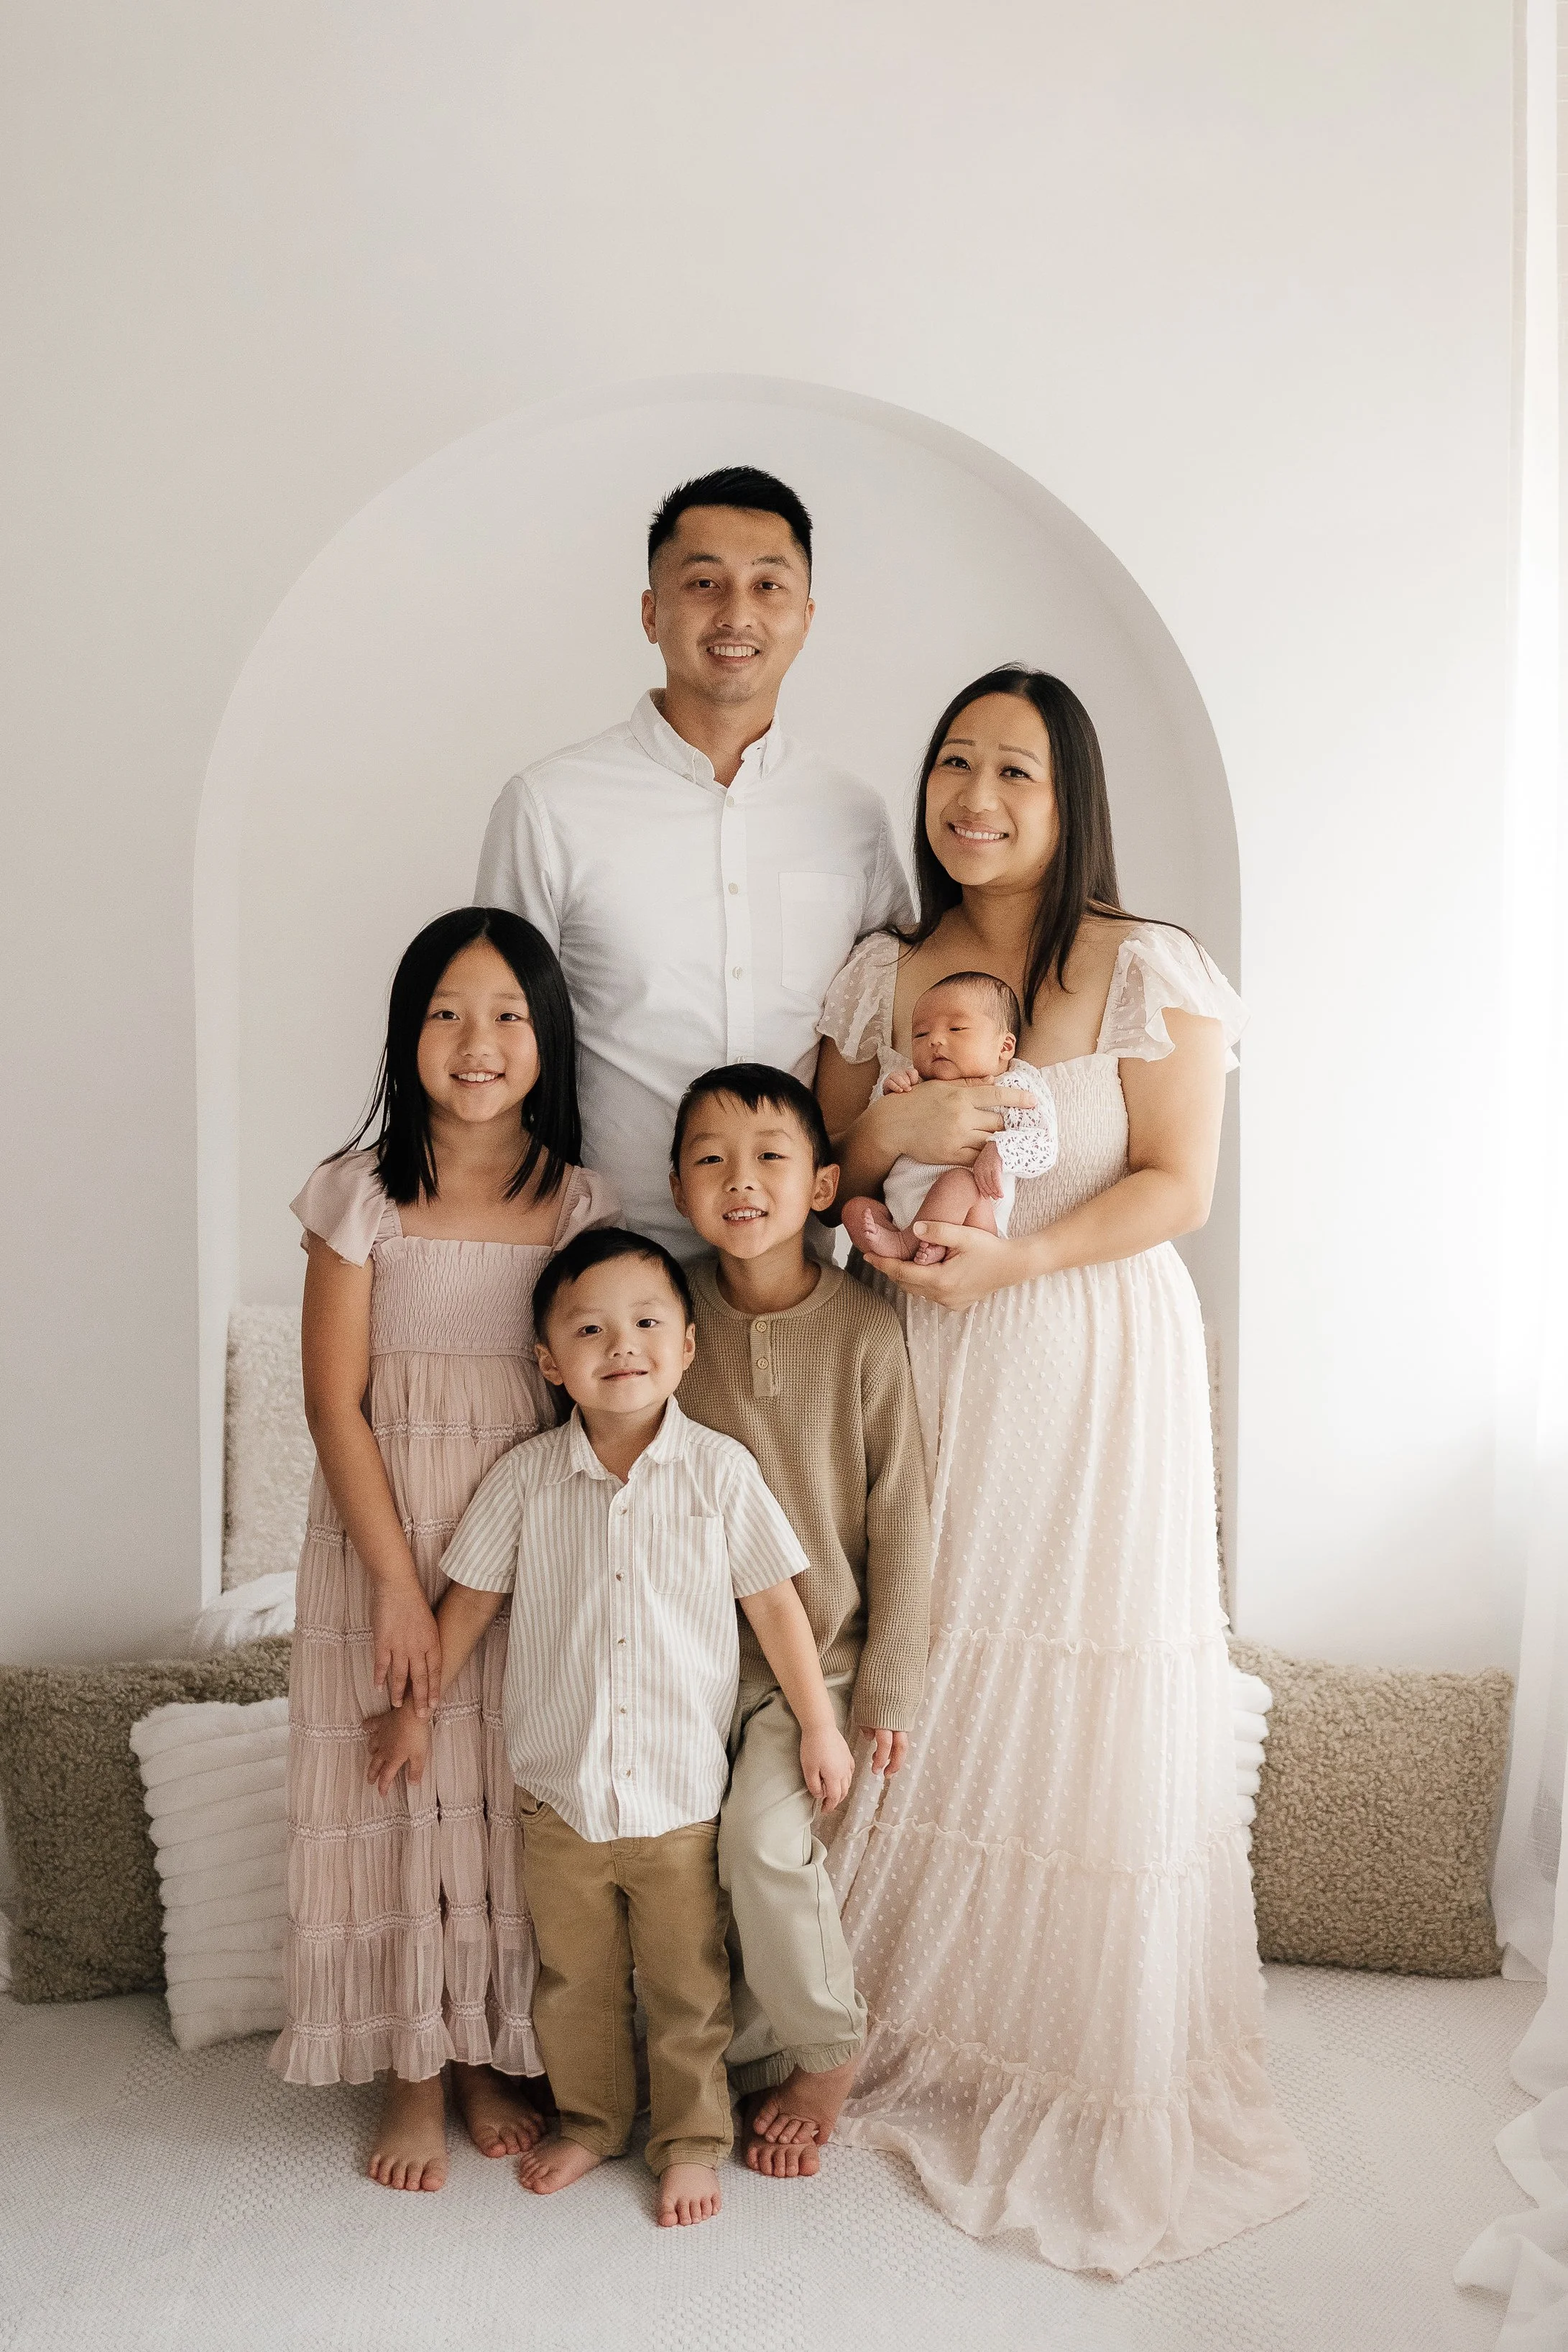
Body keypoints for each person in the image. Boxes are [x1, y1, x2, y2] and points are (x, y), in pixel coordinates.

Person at [814, 666, 1310, 2274]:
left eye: (1011, 769)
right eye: (951, 761)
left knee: (1078, 1674)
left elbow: (1175, 1183)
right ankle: (870, 2016)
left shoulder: (1144, 964)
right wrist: (910, 1128)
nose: (973, 795)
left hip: (1093, 1355)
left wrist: (1016, 1264)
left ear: (1066, 793)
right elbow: (835, 1157)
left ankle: (1069, 2040)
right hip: (925, 1354)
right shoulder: (886, 971)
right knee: (929, 1656)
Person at [364, 1228, 858, 2229]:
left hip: (680, 1798)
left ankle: (688, 2142)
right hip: (561, 1797)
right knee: (574, 1985)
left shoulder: (720, 1474)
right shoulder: (526, 1479)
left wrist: (819, 1727)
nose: (619, 1344)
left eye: (644, 1323)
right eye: (589, 1328)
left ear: (684, 1349)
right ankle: (592, 2120)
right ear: (551, 1364)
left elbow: (776, 1610)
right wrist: (414, 1715)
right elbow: (465, 1608)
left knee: (687, 1991)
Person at [269, 907, 619, 2193]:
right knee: (397, 1793)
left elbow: (597, 1383)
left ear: (549, 1038)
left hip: (521, 1547)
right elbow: (330, 1403)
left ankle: (482, 2050)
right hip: (382, 1533)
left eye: (508, 1015)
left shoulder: (579, 1199)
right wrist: (395, 1590)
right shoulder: (357, 1192)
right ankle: (410, 2072)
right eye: (447, 1013)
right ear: (408, 1032)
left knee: (495, 1799)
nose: (477, 1042)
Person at [474, 465, 916, 1256]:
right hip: (608, 1274)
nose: (736, 612)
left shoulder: (853, 815)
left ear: (807, 617)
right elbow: (498, 1042)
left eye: (768, 585)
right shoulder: (548, 805)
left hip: (800, 1272)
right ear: (651, 612)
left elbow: (896, 1022)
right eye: (704, 582)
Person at [668, 1063, 931, 2177]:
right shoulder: (663, 1315)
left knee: (764, 1842)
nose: (741, 1181)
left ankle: (826, 2048)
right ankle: (711, 2066)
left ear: (822, 1183)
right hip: (682, 1664)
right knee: (660, 1858)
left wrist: (885, 1691)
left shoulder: (865, 1333)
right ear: (676, 1185)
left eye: (770, 1156)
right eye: (711, 1159)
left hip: (813, 1666)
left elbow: (902, 1521)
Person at [841, 971, 1056, 1264]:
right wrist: (890, 1094)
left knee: (959, 1182)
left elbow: (1043, 1145)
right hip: (899, 1213)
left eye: (956, 1029)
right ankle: (913, 1243)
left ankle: (909, 1243)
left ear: (1004, 1047)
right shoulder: (915, 1083)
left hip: (973, 1220)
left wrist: (1000, 1150)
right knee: (855, 1209)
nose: (935, 1041)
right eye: (921, 1034)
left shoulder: (1012, 1086)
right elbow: (880, 1126)